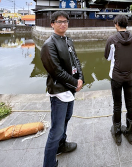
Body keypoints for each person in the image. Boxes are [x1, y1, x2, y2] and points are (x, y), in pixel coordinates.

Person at [41, 11, 84, 167]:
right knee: (56, 129)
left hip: (70, 88)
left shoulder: (68, 40)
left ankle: (62, 145)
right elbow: (56, 71)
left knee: (67, 118)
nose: (63, 24)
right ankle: (49, 163)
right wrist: (74, 83)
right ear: (52, 24)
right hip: (59, 91)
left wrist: (81, 79)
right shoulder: (49, 45)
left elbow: (76, 60)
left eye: (65, 21)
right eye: (59, 21)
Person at [104, 14, 132, 146]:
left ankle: (117, 132)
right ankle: (130, 133)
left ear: (116, 24)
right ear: (126, 24)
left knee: (117, 104)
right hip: (129, 76)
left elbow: (107, 57)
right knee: (130, 103)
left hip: (116, 77)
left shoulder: (112, 39)